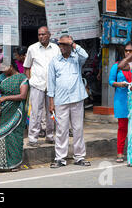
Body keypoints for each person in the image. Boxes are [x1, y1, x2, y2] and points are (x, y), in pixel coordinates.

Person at [48, 35, 91, 168]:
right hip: (60, 100)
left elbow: (86, 55)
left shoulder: (77, 59)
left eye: (64, 44)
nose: (62, 46)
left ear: (70, 45)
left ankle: (79, 157)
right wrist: (51, 102)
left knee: (78, 129)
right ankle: (60, 158)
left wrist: (73, 44)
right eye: (60, 44)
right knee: (61, 129)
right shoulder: (54, 61)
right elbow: (51, 83)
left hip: (77, 98)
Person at [23, 26, 60, 147]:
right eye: (39, 34)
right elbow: (27, 67)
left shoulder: (56, 49)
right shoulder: (32, 48)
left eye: (43, 34)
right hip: (37, 84)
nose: (41, 36)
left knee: (51, 111)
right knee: (35, 112)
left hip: (52, 86)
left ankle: (50, 136)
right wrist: (30, 81)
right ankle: (33, 138)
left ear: (49, 35)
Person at [109, 41, 132, 163]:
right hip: (121, 99)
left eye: (130, 51)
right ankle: (120, 152)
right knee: (122, 127)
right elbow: (110, 81)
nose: (127, 53)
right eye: (126, 50)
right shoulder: (117, 65)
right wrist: (118, 84)